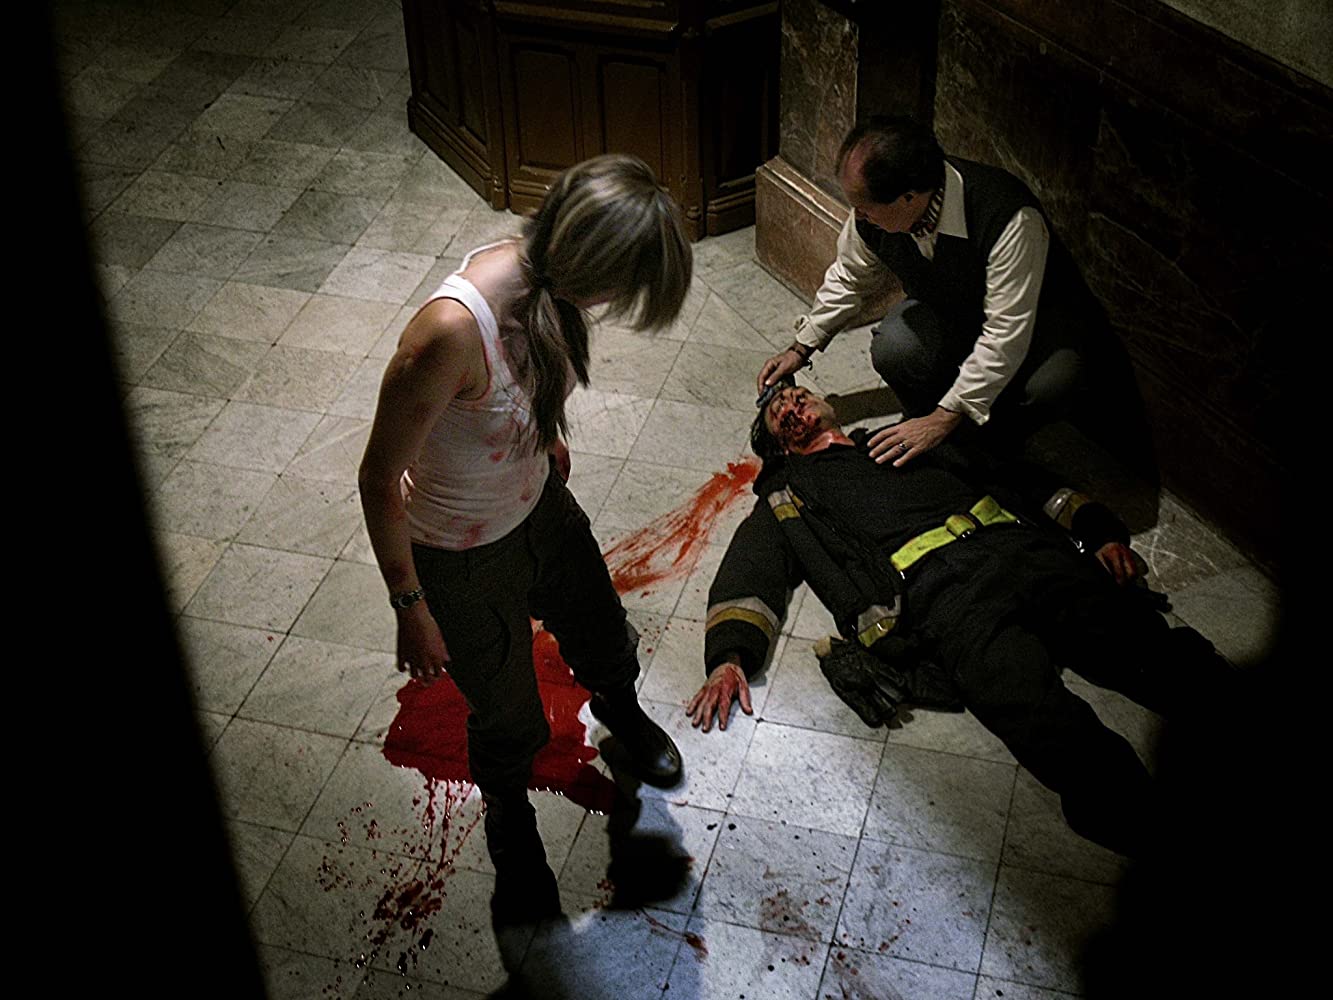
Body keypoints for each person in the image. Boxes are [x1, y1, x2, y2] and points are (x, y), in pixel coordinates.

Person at [687, 383, 1230, 855]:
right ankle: (1154, 828)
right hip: (943, 596)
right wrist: (730, 657)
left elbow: (1015, 476)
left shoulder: (907, 437)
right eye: (779, 412)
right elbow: (751, 569)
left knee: (1141, 645)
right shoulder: (790, 496)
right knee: (1028, 706)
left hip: (1023, 553)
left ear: (828, 406)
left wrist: (1097, 531)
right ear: (780, 443)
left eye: (798, 395)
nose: (791, 405)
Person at [359, 154, 691, 922]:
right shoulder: (448, 333)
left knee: (604, 635)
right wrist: (409, 604)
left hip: (541, 506)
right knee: (507, 711)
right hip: (460, 553)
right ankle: (509, 811)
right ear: (589, 262)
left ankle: (621, 715)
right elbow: (377, 478)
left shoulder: (553, 290)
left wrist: (541, 439)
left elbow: (524, 384)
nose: (614, 305)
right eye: (620, 288)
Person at [756, 116, 1150, 477]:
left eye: (864, 207)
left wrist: (946, 417)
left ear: (909, 198)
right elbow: (849, 275)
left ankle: (993, 445)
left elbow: (1005, 333)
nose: (857, 215)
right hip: (957, 315)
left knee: (1051, 382)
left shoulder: (1008, 218)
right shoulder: (875, 212)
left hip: (1035, 333)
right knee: (895, 345)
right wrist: (802, 347)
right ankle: (938, 428)